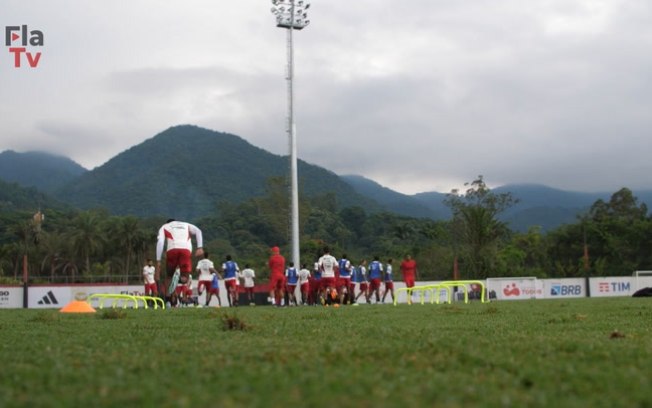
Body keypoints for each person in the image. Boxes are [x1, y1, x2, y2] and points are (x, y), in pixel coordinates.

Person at [155, 219, 204, 300]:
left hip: (172, 250)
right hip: (186, 250)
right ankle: (179, 278)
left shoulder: (165, 226)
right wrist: (200, 247)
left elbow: (160, 242)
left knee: (169, 276)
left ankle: (167, 300)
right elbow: (198, 231)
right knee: (185, 279)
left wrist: (158, 260)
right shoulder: (186, 224)